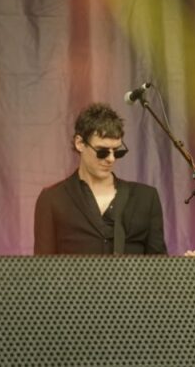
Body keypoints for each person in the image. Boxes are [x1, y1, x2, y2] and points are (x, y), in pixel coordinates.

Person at [34, 103, 167, 255]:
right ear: (80, 143)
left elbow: (159, 264)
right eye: (102, 152)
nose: (111, 159)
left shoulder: (146, 198)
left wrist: (185, 265)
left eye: (117, 152)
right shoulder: (52, 199)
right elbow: (43, 266)